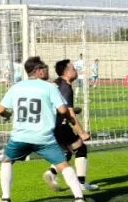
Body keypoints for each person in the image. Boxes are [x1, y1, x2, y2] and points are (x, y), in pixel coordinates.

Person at [0, 57, 91, 202]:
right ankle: (79, 197)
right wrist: (68, 114)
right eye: (44, 67)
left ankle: (5, 198)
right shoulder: (50, 87)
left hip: (20, 137)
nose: (47, 69)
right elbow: (63, 110)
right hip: (43, 137)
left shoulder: (16, 87)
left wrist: (7, 114)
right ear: (38, 71)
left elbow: (0, 110)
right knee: (64, 165)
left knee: (7, 161)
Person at [42, 59, 98, 192]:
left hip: (50, 125)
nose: (76, 70)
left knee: (67, 151)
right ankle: (81, 183)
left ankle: (51, 172)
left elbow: (59, 106)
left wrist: (73, 110)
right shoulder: (66, 87)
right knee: (81, 148)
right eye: (73, 68)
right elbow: (69, 113)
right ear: (66, 72)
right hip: (60, 125)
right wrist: (82, 132)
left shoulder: (56, 83)